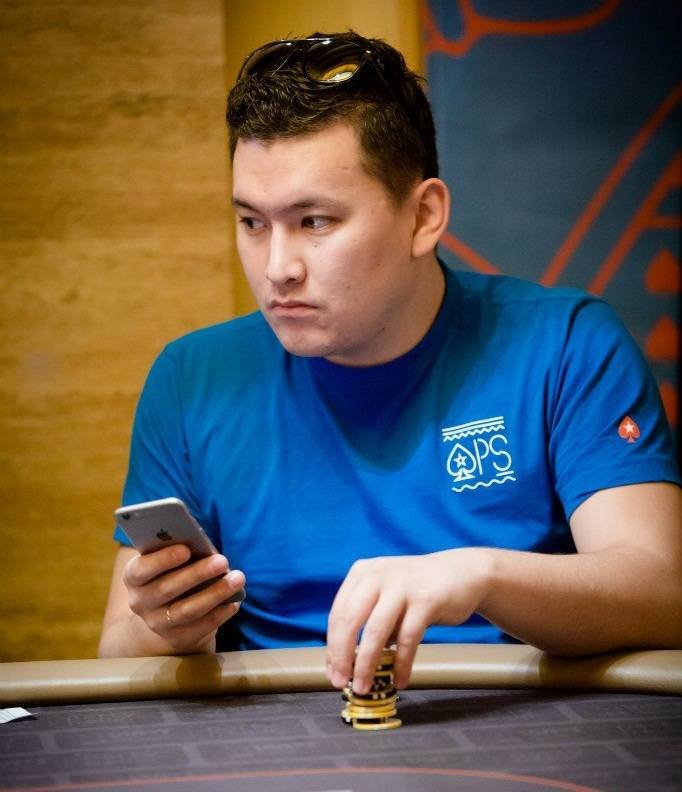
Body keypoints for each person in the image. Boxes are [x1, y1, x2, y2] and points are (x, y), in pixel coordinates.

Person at [99, 31, 681, 696]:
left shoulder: (567, 345)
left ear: (424, 216)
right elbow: (116, 652)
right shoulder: (190, 378)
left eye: (315, 221)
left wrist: (479, 576)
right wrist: (166, 629)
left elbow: (662, 593)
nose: (278, 268)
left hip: (512, 718)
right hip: (273, 733)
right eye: (253, 223)